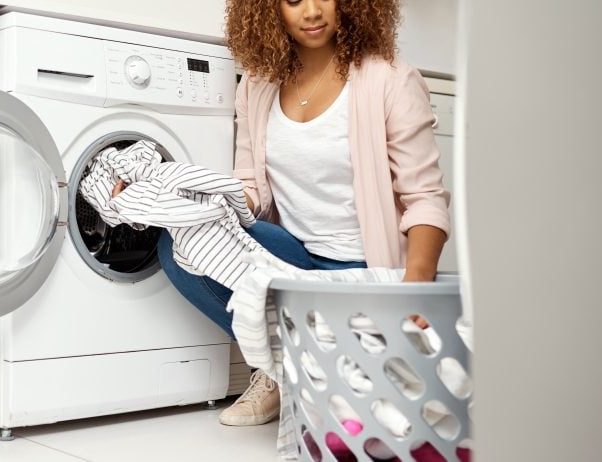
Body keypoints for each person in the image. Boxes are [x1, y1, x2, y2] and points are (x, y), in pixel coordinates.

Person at [131, 0, 450, 427]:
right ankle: (279, 370)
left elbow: (424, 197)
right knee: (180, 240)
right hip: (293, 262)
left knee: (369, 405)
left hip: (361, 272)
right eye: (294, 0)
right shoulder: (258, 86)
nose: (313, 11)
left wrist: (416, 291)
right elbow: (249, 193)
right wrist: (165, 193)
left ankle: (308, 369)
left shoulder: (389, 79)